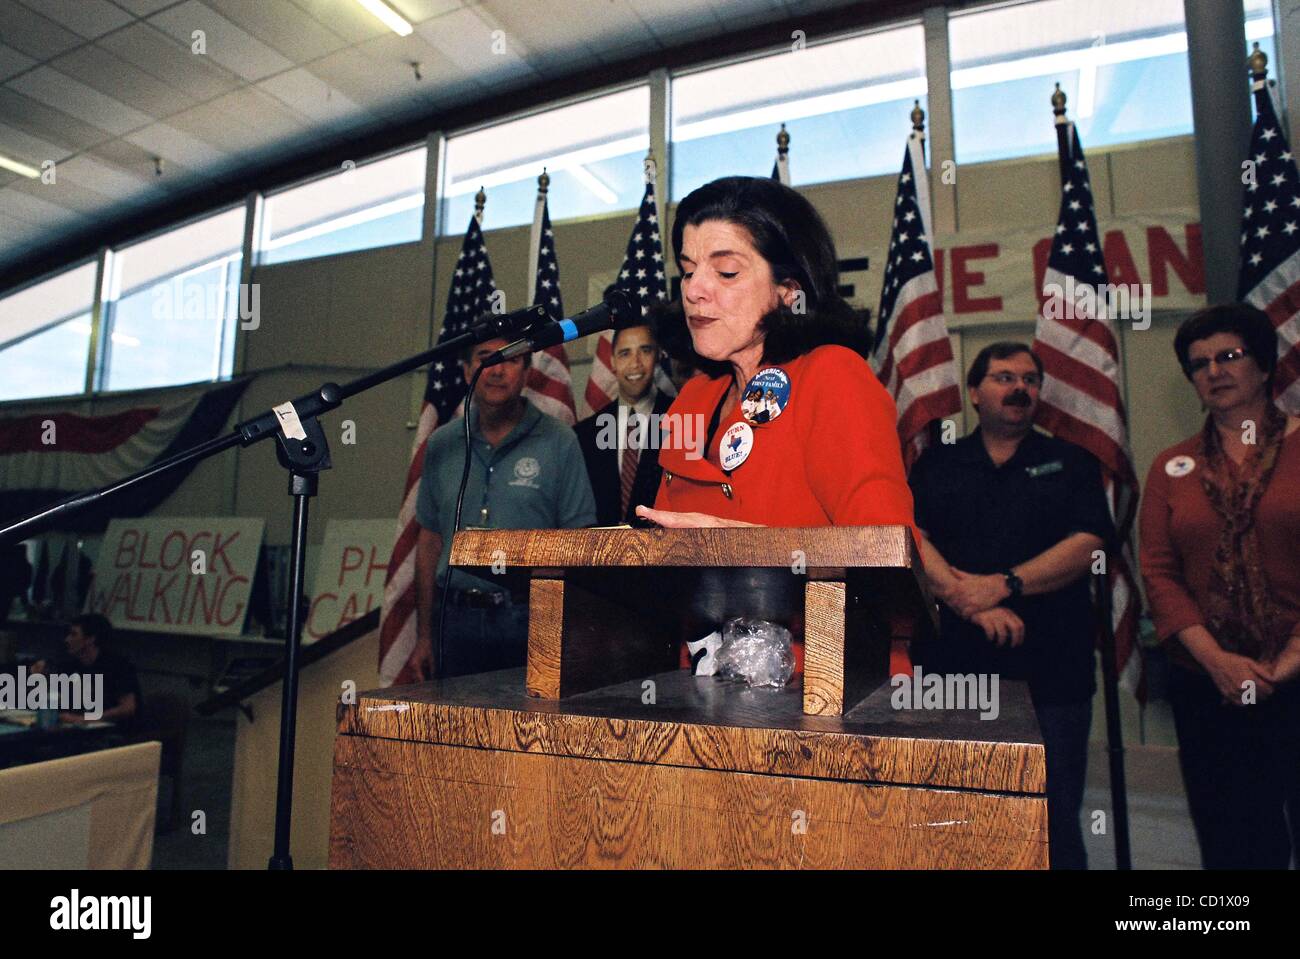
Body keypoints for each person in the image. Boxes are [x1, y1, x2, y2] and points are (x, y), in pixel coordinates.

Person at [633, 176, 916, 675]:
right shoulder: (693, 398)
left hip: (827, 695)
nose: (694, 290)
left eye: (725, 272)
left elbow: (884, 564)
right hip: (702, 688)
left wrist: (744, 551)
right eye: (688, 269)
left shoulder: (833, 375)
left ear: (789, 291)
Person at [907, 342, 1115, 870]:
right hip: (951, 672)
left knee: (1053, 820)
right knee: (956, 818)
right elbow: (911, 537)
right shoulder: (938, 462)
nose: (1020, 388)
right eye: (1004, 377)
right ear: (974, 393)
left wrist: (1003, 585)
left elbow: (1090, 542)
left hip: (1051, 675)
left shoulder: (1070, 461)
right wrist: (964, 599)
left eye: (1030, 379)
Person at [1138, 303, 1300, 870]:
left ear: (1263, 365)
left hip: (1297, 673)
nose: (1214, 370)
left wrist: (1288, 662)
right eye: (1199, 363)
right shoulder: (1170, 466)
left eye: (1229, 356)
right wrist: (1219, 664)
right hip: (1209, 683)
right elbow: (1158, 572)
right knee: (1234, 844)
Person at [413, 337, 597, 679]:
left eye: (510, 360)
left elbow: (579, 542)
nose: (497, 370)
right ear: (468, 371)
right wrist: (424, 635)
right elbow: (428, 542)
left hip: (529, 618)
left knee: (527, 729)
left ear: (527, 372)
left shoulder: (560, 441)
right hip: (454, 621)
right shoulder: (442, 444)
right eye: (485, 358)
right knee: (455, 729)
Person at [574, 321, 674, 525]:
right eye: (625, 353)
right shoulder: (585, 433)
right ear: (612, 361)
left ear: (657, 355)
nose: (635, 363)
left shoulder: (681, 420)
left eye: (644, 351)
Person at [33, 613, 141, 728]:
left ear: (90, 639)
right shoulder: (72, 664)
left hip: (119, 732)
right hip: (84, 729)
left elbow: (127, 708)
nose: (67, 640)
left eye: (73, 635)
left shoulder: (117, 665)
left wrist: (84, 718)